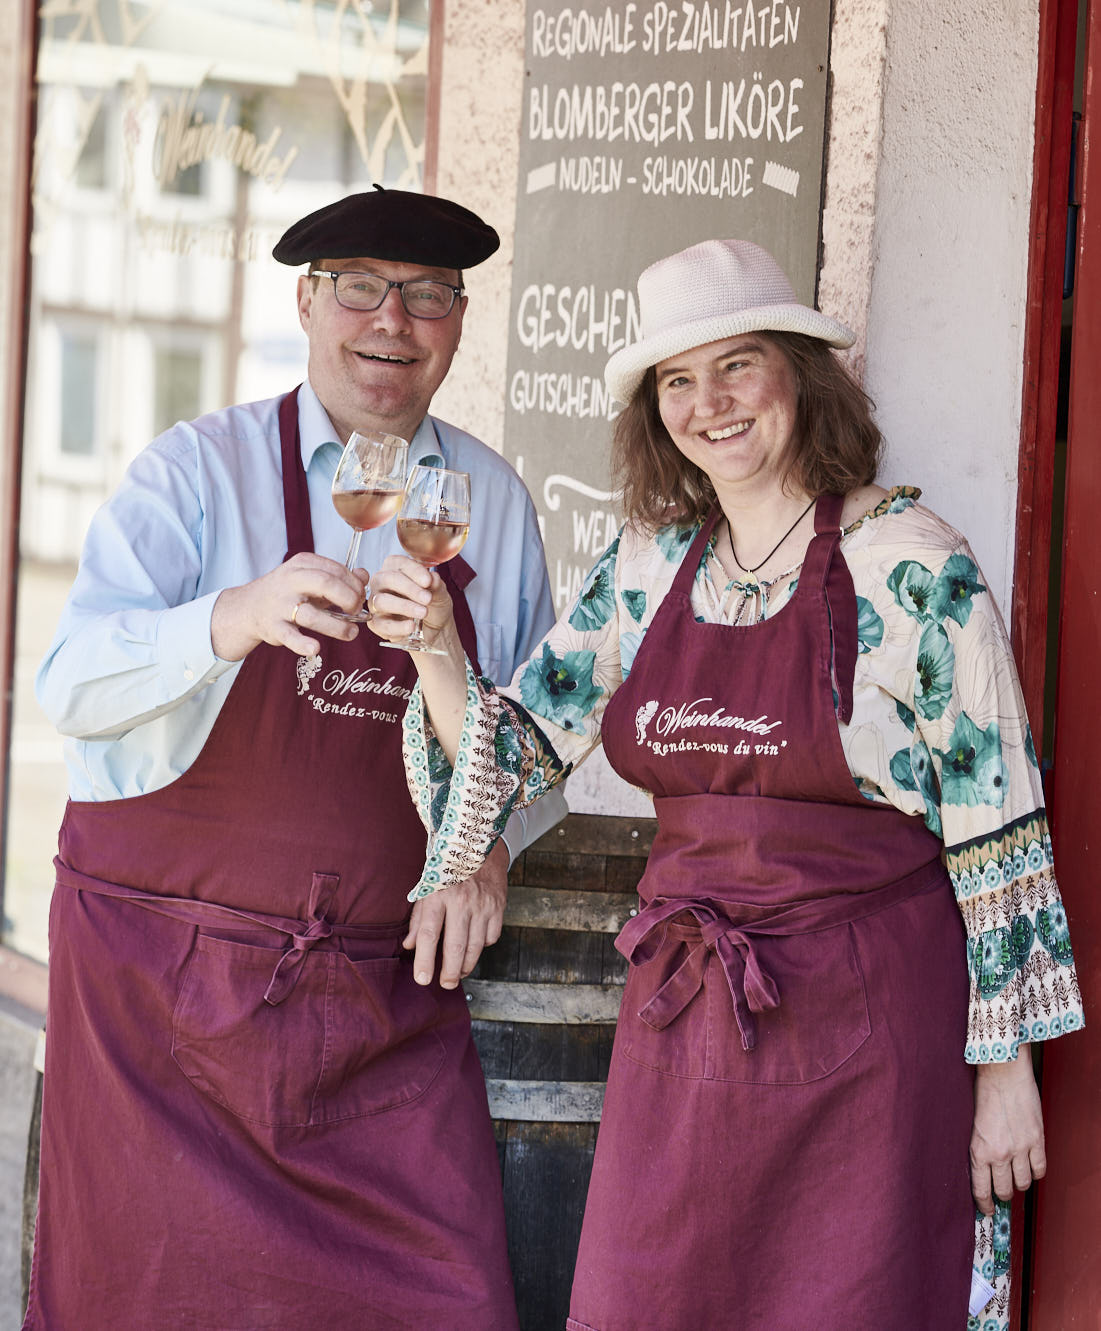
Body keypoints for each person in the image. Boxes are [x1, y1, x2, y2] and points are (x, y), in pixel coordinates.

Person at [368, 237, 1084, 1331]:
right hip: (689, 1031)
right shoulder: (649, 563)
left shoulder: (914, 564)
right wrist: (437, 655)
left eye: (737, 363)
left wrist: (1004, 1074)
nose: (710, 403)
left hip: (872, 1033)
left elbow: (999, 828)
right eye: (676, 380)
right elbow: (515, 754)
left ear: (800, 371)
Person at [29, 187, 564, 1331]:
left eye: (427, 295)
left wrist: (484, 854)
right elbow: (67, 682)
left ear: (459, 323)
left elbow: (534, 747)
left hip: (375, 1016)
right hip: (163, 1002)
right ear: (310, 303)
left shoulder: (493, 509)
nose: (394, 319)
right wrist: (233, 614)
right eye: (363, 287)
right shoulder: (196, 473)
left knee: (445, 1297)